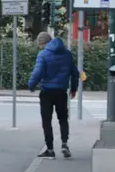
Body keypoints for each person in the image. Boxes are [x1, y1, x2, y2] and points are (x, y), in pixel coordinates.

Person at [28, 31, 79, 159]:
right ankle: (64, 143)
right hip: (61, 91)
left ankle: (50, 149)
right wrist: (73, 88)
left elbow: (37, 72)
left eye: (40, 44)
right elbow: (74, 73)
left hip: (47, 92)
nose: (40, 47)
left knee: (47, 121)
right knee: (63, 118)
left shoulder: (43, 54)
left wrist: (31, 84)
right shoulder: (67, 54)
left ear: (43, 43)